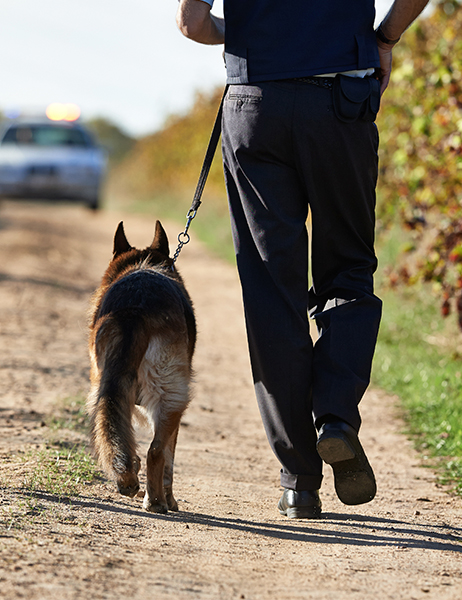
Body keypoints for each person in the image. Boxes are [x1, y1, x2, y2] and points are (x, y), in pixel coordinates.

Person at [176, 0, 428, 518]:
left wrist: (240, 29)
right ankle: (335, 418)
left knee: (272, 290)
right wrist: (384, 40)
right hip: (341, 97)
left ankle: (299, 482)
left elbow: (192, 23)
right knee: (347, 271)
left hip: (255, 103)